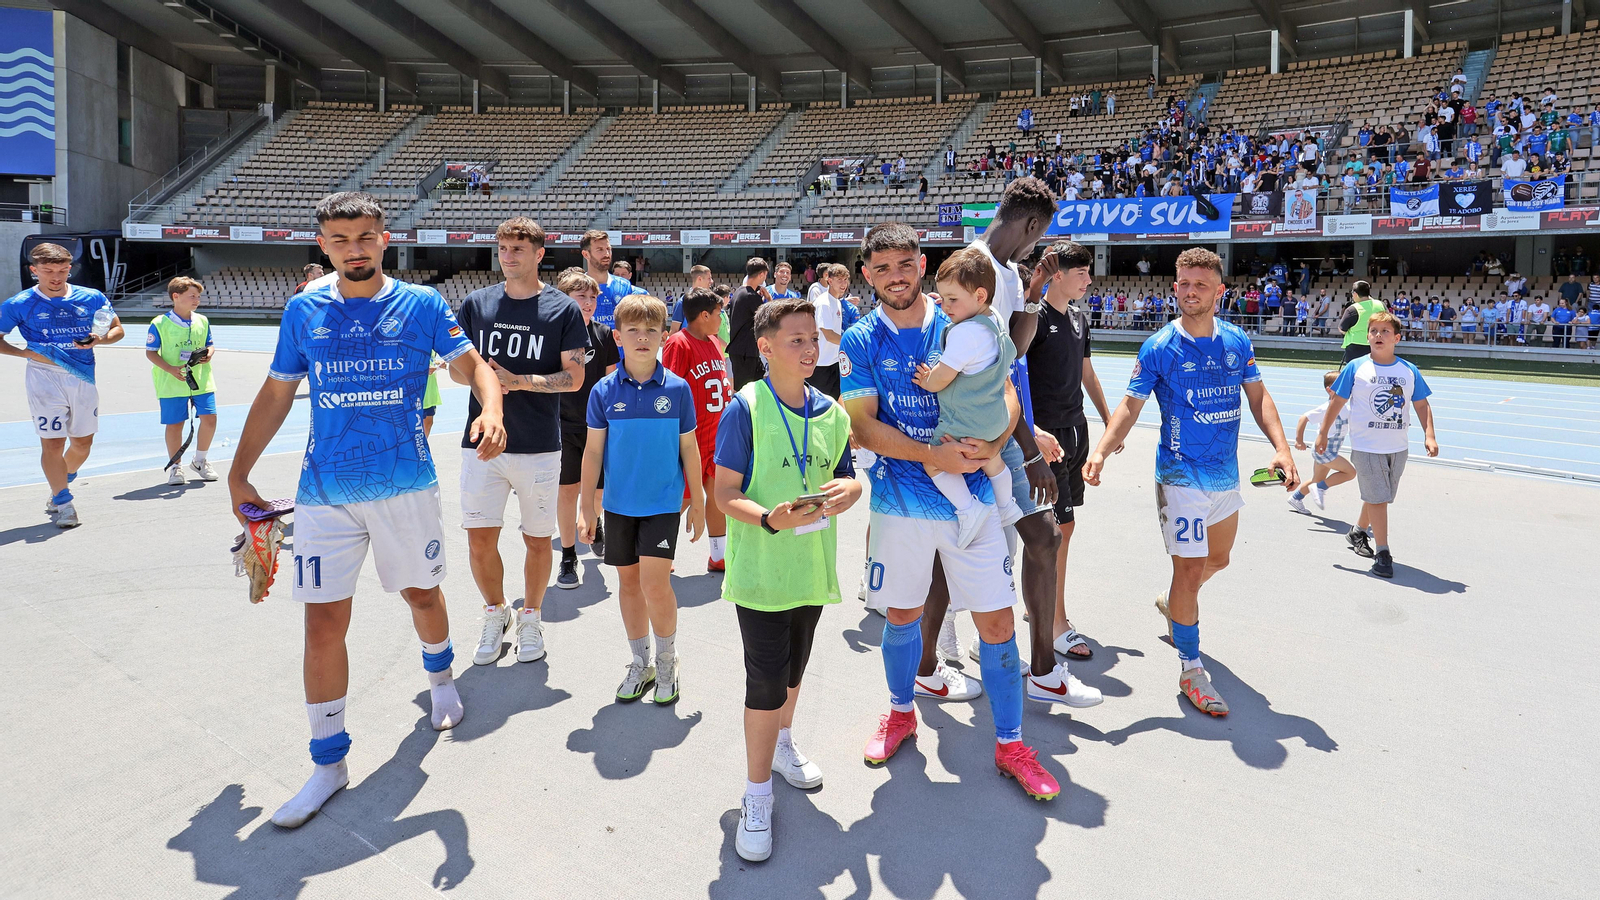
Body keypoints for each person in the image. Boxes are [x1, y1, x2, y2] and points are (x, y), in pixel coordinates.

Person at [227, 192, 507, 828]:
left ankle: (439, 676)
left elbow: (475, 369)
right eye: (339, 239)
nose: (354, 248)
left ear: (385, 237)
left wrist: (491, 408)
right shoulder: (304, 310)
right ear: (322, 245)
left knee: (421, 597)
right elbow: (277, 393)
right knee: (322, 622)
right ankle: (328, 762)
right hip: (325, 491)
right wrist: (239, 471)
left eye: (364, 236)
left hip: (405, 486)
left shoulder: (423, 304)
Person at [842, 222, 1061, 801]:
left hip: (975, 501)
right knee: (903, 617)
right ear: (868, 274)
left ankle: (1011, 743)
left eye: (905, 264)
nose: (896, 276)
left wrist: (996, 442)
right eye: (882, 267)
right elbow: (861, 426)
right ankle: (899, 712)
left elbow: (1010, 388)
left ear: (921, 264)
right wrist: (931, 454)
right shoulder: (861, 339)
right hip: (901, 500)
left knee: (996, 622)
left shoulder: (962, 315)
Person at [1083, 247, 1300, 716]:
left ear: (1220, 292)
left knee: (1217, 560)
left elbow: (1260, 400)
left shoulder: (1237, 342)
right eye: (1183, 283)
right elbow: (1129, 406)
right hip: (1179, 476)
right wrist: (1101, 450)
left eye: (1200, 284)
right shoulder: (1160, 346)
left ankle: (1172, 603)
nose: (1190, 292)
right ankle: (1190, 667)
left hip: (1225, 475)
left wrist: (1282, 448)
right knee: (1189, 570)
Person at [717, 297, 861, 863]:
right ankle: (756, 797)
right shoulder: (745, 408)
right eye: (796, 339)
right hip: (760, 574)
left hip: (811, 570)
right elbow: (723, 494)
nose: (809, 347)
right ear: (767, 348)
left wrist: (852, 492)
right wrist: (770, 518)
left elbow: (846, 478)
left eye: (813, 338)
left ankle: (782, 743)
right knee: (765, 680)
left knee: (794, 672)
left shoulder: (834, 412)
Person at [454, 218, 588, 666]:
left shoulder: (561, 310)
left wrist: (520, 381)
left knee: (536, 540)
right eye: (503, 248)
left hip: (538, 445)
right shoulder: (477, 304)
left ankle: (530, 616)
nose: (508, 256)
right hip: (482, 443)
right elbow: (458, 368)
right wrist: (481, 382)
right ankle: (496, 613)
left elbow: (575, 377)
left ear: (538, 255)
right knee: (479, 539)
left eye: (517, 249)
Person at [578, 294, 706, 704]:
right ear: (616, 336)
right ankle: (641, 662)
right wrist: (586, 507)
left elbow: (690, 449)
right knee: (628, 585)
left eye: (652, 330)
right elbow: (593, 452)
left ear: (664, 336)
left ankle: (668, 659)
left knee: (655, 584)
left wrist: (699, 499)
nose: (642, 338)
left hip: (663, 504)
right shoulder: (602, 391)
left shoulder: (679, 389)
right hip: (618, 506)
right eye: (632, 330)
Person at [1026, 241, 1119, 661]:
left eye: (1088, 270)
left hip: (1075, 432)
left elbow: (1086, 371)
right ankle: (1056, 621)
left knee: (1064, 528)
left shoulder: (1081, 317)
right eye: (1079, 271)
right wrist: (1032, 430)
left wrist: (1108, 419)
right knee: (1053, 531)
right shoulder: (1034, 320)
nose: (1088, 278)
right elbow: (1016, 378)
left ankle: (1041, 603)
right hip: (1045, 439)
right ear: (1056, 275)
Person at [0, 242, 124, 528]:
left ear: (70, 269)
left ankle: (59, 484)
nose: (56, 277)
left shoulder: (91, 297)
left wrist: (100, 339)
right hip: (43, 377)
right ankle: (64, 501)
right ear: (34, 271)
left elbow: (118, 329)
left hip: (82, 377)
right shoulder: (19, 304)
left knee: (82, 444)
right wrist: (22, 353)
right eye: (48, 271)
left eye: (62, 270)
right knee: (53, 442)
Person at [912, 247, 1024, 547]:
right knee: (991, 458)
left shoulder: (965, 334)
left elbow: (942, 379)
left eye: (952, 300)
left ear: (979, 296)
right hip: (995, 417)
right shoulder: (994, 319)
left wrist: (927, 379)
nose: (946, 307)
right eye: (942, 297)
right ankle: (1006, 505)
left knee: (934, 462)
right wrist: (951, 301)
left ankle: (967, 508)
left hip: (967, 417)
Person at [1316, 311, 1440, 579]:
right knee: (1379, 498)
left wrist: (1429, 434)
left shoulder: (1408, 370)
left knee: (1380, 496)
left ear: (1396, 338)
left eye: (1385, 331)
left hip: (1398, 446)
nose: (1378, 335)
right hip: (1366, 446)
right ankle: (1383, 554)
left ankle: (1358, 532)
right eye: (1374, 331)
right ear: (1368, 336)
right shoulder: (1356, 367)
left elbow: (1420, 404)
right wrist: (1323, 433)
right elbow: (1336, 401)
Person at [662, 288, 733, 573]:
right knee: (684, 498)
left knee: (718, 496)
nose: (721, 318)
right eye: (718, 313)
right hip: (689, 436)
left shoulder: (715, 342)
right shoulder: (679, 343)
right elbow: (669, 391)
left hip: (717, 434)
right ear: (704, 315)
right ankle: (656, 550)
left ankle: (719, 556)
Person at [555, 268, 617, 587]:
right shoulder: (552, 336)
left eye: (593, 296)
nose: (589, 302)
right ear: (563, 299)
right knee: (567, 491)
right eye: (581, 296)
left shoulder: (604, 335)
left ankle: (594, 521)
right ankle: (568, 556)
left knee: (596, 492)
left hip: (598, 427)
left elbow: (611, 381)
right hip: (562, 425)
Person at [147, 276, 219, 485]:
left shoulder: (202, 320)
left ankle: (200, 460)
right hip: (172, 381)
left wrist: (210, 353)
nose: (196, 300)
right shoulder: (159, 323)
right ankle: (176, 466)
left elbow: (210, 343)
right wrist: (170, 369)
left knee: (210, 418)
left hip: (201, 380)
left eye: (198, 296)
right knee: (175, 424)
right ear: (176, 296)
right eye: (192, 296)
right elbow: (151, 353)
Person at [1286, 372, 1354, 514]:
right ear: (1329, 390)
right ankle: (1320, 488)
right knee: (1350, 473)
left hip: (1330, 450)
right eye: (1342, 387)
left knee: (1317, 480)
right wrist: (1299, 440)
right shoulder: (1327, 407)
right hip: (1324, 451)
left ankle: (1296, 498)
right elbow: (1303, 418)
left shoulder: (1346, 407)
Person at [581, 229, 645, 331]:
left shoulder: (624, 285)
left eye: (608, 249)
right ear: (586, 254)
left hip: (620, 347)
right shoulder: (577, 287)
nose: (606, 254)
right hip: (590, 346)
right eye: (600, 250)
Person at [726, 257, 773, 389]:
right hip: (745, 352)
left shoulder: (739, 292)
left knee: (756, 382)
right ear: (762, 274)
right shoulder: (752, 296)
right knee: (745, 391)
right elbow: (769, 319)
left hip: (741, 350)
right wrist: (768, 299)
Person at [807, 263, 849, 398]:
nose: (843, 284)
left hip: (833, 362)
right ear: (829, 281)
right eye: (839, 280)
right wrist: (850, 343)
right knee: (818, 404)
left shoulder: (836, 301)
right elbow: (829, 335)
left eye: (845, 279)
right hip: (821, 365)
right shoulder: (824, 302)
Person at [1338, 279, 1387, 362]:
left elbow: (1342, 329)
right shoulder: (1381, 305)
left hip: (1356, 347)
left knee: (1356, 373)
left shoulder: (1352, 309)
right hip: (1377, 343)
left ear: (1355, 294)